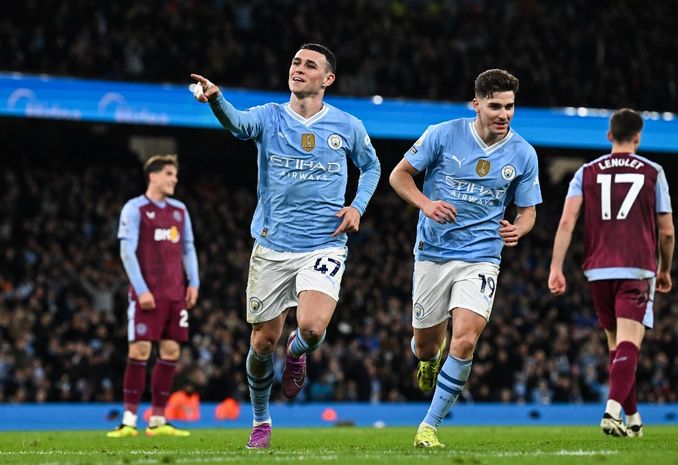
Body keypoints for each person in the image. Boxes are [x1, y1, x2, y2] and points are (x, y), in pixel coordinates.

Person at [191, 43, 381, 449]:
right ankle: (261, 421)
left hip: (324, 244)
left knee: (312, 327)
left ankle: (298, 353)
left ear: (327, 79)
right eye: (295, 61)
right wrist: (217, 99)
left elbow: (371, 166)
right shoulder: (269, 116)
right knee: (261, 342)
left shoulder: (347, 125)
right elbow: (237, 125)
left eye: (309, 65)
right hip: (273, 245)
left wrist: (357, 206)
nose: (298, 68)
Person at [389, 69, 541, 448]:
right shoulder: (442, 134)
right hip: (434, 254)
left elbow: (528, 211)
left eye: (509, 106)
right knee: (426, 345)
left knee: (466, 340)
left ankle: (429, 426)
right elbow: (399, 175)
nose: (503, 114)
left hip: (482, 256)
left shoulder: (523, 153)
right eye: (495, 106)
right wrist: (426, 204)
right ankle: (428, 357)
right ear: (477, 105)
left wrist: (518, 229)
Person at [548, 108, 674, 437]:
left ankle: (632, 419)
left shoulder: (586, 172)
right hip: (636, 267)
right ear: (638, 137)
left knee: (616, 345)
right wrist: (665, 269)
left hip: (598, 270)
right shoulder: (653, 171)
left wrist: (556, 267)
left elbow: (566, 222)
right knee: (631, 343)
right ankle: (612, 410)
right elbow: (667, 232)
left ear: (608, 136)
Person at [108, 154, 200, 437]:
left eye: (175, 174)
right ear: (154, 176)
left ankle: (158, 420)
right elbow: (127, 252)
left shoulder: (179, 211)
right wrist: (141, 288)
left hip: (175, 294)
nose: (175, 179)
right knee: (139, 351)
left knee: (170, 351)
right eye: (170, 174)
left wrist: (193, 282)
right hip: (147, 294)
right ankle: (129, 420)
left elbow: (187, 249)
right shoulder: (135, 209)